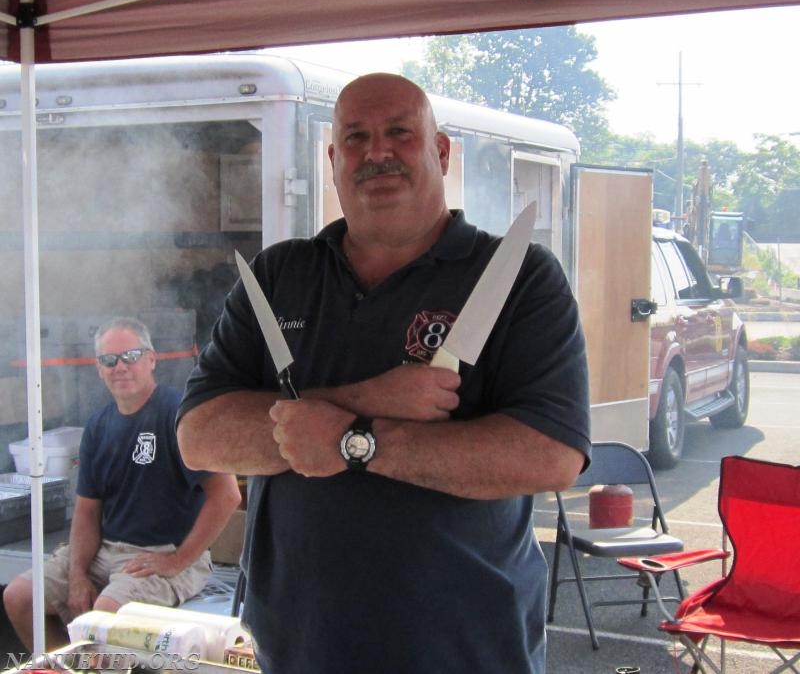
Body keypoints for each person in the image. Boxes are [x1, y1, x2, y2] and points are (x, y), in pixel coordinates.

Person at [177, 73, 591, 674]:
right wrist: (368, 399)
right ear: (333, 158)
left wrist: (357, 442)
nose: (377, 152)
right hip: (297, 646)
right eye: (356, 137)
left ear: (441, 152)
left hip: (468, 646)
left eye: (400, 132)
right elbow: (200, 437)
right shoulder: (277, 276)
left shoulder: (520, 276)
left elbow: (550, 456)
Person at [3, 317, 241, 651]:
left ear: (151, 359)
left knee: (103, 619)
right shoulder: (98, 425)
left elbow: (227, 495)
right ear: (98, 369)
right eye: (109, 360)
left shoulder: (178, 414)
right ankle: (65, 668)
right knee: (19, 597)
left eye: (130, 355)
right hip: (106, 549)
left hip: (164, 552)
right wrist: (78, 575)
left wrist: (179, 559)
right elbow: (86, 512)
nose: (120, 367)